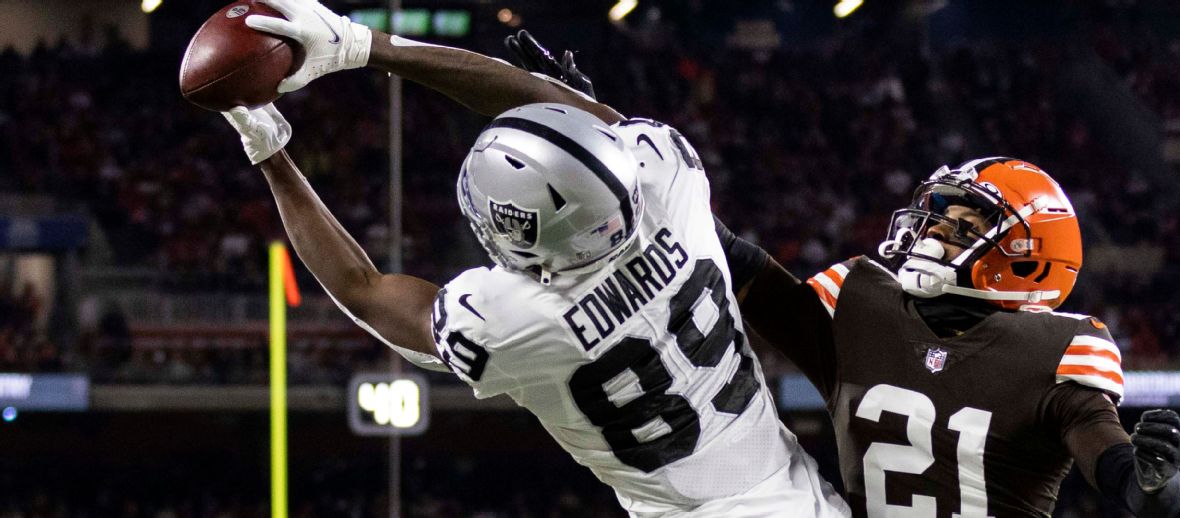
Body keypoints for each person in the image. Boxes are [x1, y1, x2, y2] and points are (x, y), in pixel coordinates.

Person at [506, 36, 1180, 517]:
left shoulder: (1059, 354)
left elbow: (1123, 478)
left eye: (959, 225)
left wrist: (1157, 486)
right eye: (935, 217)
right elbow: (716, 245)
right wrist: (612, 146)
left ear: (1027, 256)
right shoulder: (860, 305)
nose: (929, 234)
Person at [223, 1, 848, 516]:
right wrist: (363, 45)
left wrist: (274, 158)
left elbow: (362, 289)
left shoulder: (516, 315)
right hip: (804, 496)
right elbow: (570, 113)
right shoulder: (669, 176)